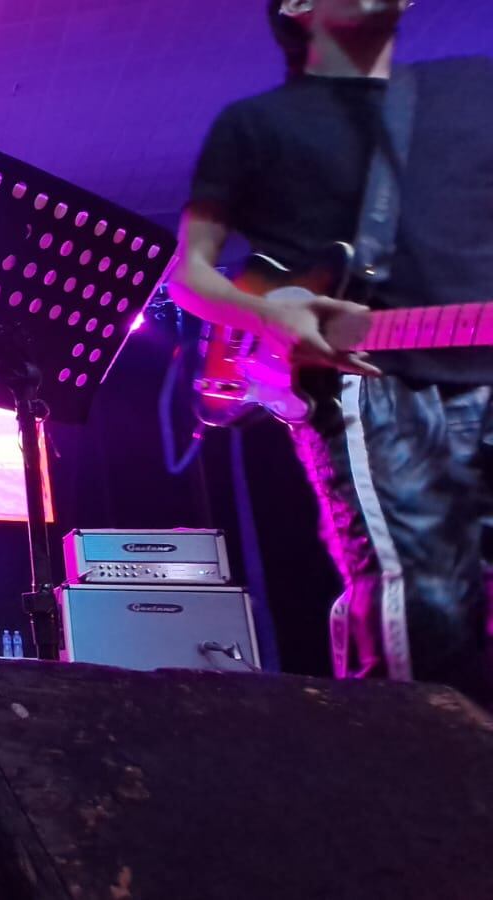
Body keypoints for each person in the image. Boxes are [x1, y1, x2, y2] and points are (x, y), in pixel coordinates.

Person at [172, 1, 493, 702]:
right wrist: (266, 314)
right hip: (375, 387)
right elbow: (190, 276)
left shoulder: (476, 87)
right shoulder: (253, 126)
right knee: (425, 624)